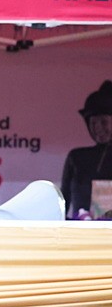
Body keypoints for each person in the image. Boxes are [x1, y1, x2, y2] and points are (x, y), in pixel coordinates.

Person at [61, 80, 112, 219]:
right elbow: (63, 201)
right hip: (81, 233)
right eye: (93, 122)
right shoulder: (76, 158)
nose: (98, 128)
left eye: (103, 122)